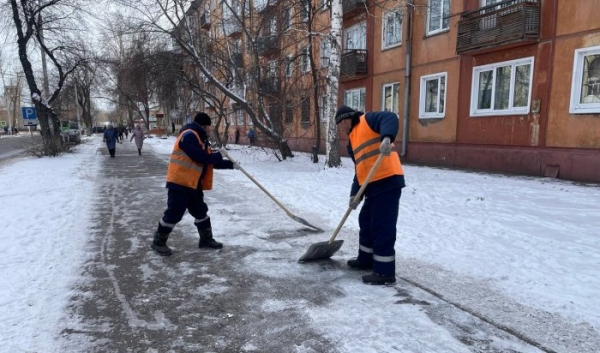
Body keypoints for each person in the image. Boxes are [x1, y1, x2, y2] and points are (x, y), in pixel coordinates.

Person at [335, 105, 406, 285]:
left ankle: (384, 272)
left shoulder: (368, 120)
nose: (341, 129)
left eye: (340, 125)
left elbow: (390, 117)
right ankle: (366, 259)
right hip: (372, 184)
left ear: (345, 120)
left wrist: (387, 137)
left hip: (388, 180)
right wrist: (354, 196)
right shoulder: (352, 142)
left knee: (382, 226)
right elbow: (361, 169)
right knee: (365, 221)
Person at [151, 112, 239, 256]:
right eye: (208, 127)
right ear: (203, 125)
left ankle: (206, 239)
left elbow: (209, 162)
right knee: (174, 213)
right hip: (180, 183)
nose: (209, 129)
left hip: (193, 184)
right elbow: (201, 157)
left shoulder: (200, 138)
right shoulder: (189, 135)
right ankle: (158, 242)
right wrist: (218, 155)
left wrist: (231, 165)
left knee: (200, 212)